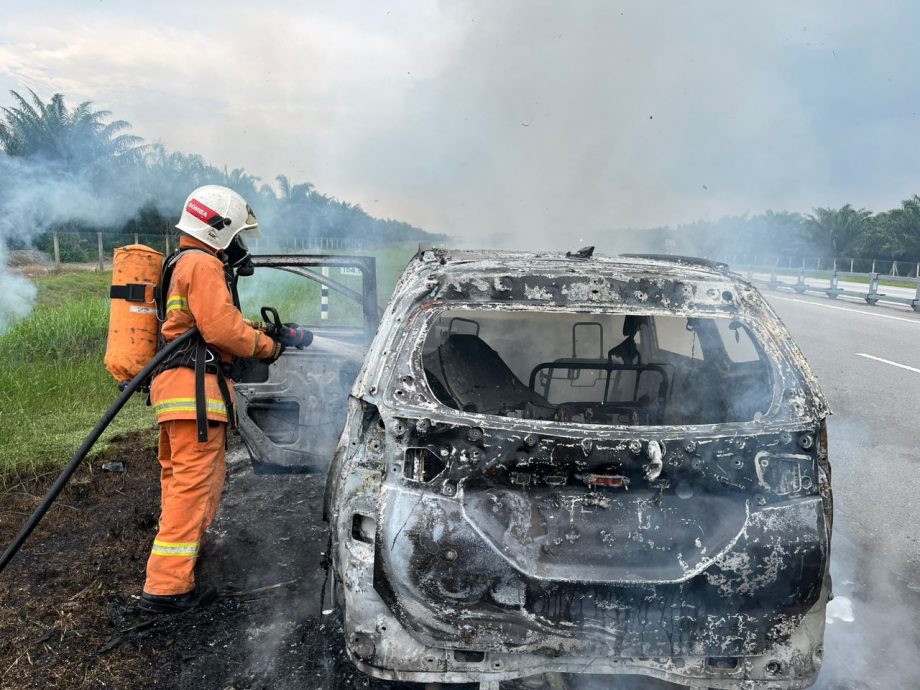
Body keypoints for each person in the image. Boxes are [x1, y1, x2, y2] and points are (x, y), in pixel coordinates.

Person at [139, 185, 282, 613]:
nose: (239, 245)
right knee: (193, 488)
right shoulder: (202, 264)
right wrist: (267, 346)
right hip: (195, 394)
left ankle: (178, 571)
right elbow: (222, 330)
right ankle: (167, 589)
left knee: (180, 485)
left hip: (176, 393)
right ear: (217, 228)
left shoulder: (178, 262)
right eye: (236, 234)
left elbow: (203, 323)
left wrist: (252, 331)